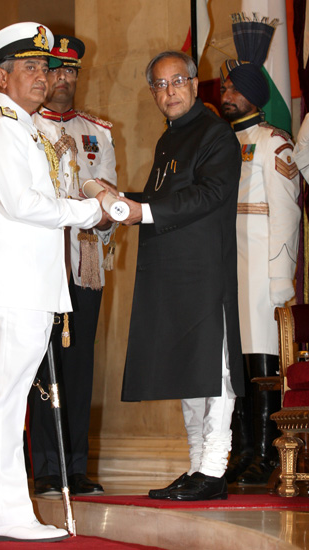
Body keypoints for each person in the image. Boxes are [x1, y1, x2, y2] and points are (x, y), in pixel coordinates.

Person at [0, 22, 109, 543]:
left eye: (45, 67)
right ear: (2, 76)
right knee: (5, 403)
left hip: (21, 284)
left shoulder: (19, 126)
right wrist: (92, 210)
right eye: (30, 67)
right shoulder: (2, 130)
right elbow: (24, 205)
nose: (43, 77)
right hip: (13, 284)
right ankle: (7, 516)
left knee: (3, 401)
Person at [118, 50, 244, 501]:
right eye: (159, 84)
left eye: (177, 82)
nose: (168, 91)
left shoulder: (216, 135)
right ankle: (196, 469)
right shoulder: (169, 139)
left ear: (194, 84)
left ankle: (214, 469)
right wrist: (116, 203)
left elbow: (208, 194)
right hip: (172, 275)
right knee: (188, 371)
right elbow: (160, 195)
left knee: (216, 371)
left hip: (204, 273)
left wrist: (141, 210)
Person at [29, 34, 117, 497]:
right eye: (55, 70)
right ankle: (46, 466)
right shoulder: (25, 128)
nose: (64, 79)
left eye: (71, 72)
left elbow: (112, 196)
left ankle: (76, 466)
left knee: (80, 365)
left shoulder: (97, 131)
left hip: (84, 262)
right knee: (43, 365)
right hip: (41, 259)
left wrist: (105, 219)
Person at [220, 57, 301, 486]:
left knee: (261, 361)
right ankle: (242, 449)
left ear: (254, 93)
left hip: (260, 270)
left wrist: (279, 277)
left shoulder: (274, 143)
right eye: (225, 89)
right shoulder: (219, 141)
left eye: (234, 88)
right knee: (234, 363)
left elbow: (286, 213)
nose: (226, 95)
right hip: (227, 266)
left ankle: (268, 453)